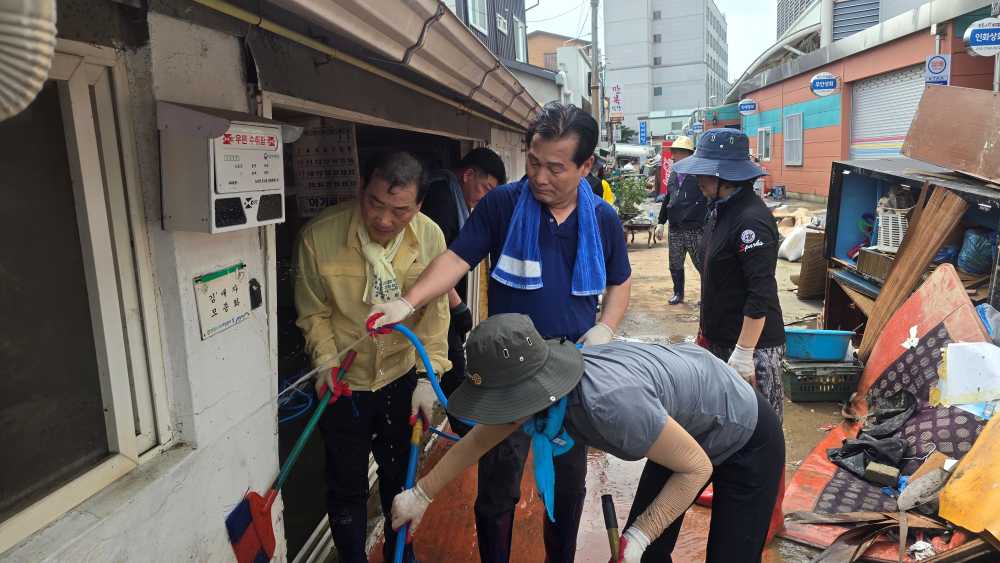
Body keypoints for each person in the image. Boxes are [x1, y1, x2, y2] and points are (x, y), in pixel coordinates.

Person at [368, 102, 633, 562]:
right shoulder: (503, 204)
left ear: (586, 165)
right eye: (533, 162)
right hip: (508, 371)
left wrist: (606, 327)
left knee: (569, 487)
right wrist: (408, 302)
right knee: (496, 488)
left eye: (555, 167)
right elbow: (456, 259)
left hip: (571, 369)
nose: (540, 177)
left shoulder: (602, 219)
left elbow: (620, 280)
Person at [389, 314, 785, 563]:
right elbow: (481, 439)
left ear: (527, 391)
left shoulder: (608, 407)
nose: (499, 414)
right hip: (688, 421)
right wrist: (420, 495)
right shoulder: (544, 392)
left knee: (716, 554)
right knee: (645, 556)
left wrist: (639, 534)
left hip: (745, 433)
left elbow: (696, 467)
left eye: (501, 403)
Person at [293, 151, 451, 563]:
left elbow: (435, 312)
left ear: (418, 206)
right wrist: (325, 363)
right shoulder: (319, 236)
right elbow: (313, 312)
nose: (383, 219)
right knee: (345, 485)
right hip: (346, 382)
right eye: (375, 203)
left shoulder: (431, 237)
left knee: (400, 477)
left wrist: (425, 377)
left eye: (400, 211)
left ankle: (402, 553)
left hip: (401, 375)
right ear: (363, 188)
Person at [671, 129, 786, 420]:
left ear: (727, 177)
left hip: (751, 347)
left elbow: (760, 292)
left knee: (758, 426)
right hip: (719, 338)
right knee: (723, 424)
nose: (698, 179)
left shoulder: (751, 221)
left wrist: (745, 352)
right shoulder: (720, 210)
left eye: (704, 173)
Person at [420, 148, 508, 408]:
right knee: (457, 379)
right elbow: (433, 261)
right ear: (468, 174)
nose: (485, 198)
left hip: (441, 301)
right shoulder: (442, 200)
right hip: (434, 304)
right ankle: (474, 438)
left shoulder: (450, 194)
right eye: (486, 188)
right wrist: (457, 305)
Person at [653, 136, 708, 306]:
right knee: (675, 263)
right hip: (675, 227)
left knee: (701, 264)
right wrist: (661, 222)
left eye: (676, 153)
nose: (673, 157)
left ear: (688, 154)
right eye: (673, 153)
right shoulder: (674, 174)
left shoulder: (700, 175)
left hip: (695, 228)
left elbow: (709, 200)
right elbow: (668, 199)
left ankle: (707, 296)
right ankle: (678, 292)